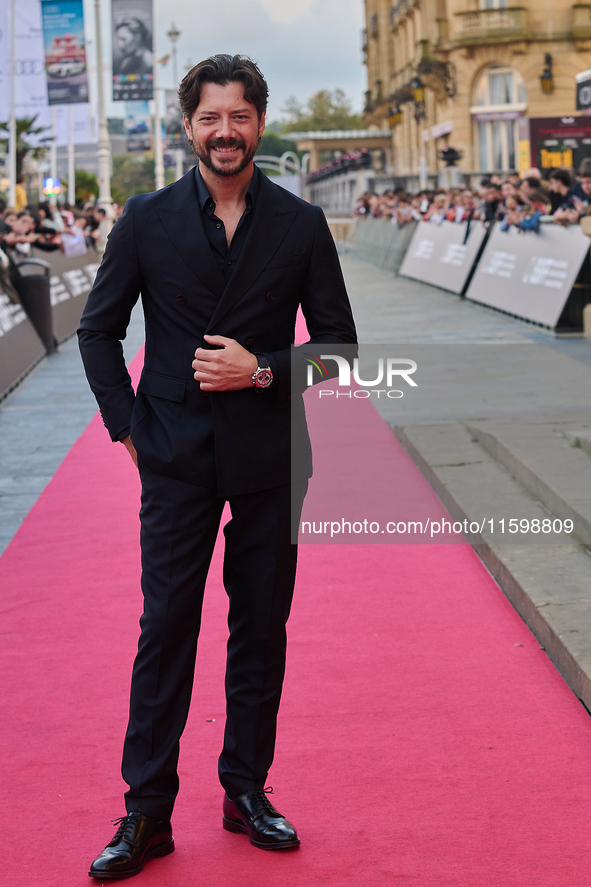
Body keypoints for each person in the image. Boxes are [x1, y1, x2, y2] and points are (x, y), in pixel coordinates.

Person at [78, 53, 357, 880]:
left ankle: (245, 790)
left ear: (260, 124)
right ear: (188, 125)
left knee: (259, 629)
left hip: (270, 455)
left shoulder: (300, 225)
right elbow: (98, 331)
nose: (224, 132)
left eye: (238, 117)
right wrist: (125, 425)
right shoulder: (146, 218)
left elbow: (340, 352)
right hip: (173, 456)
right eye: (209, 117)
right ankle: (146, 811)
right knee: (164, 628)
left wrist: (262, 368)